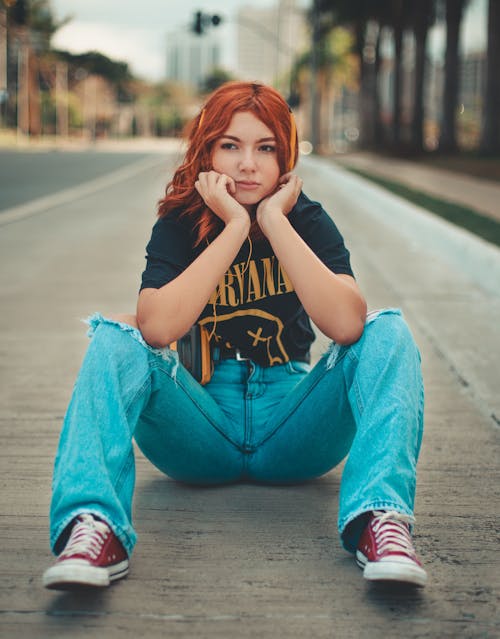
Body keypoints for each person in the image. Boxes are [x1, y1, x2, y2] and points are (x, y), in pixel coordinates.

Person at [43, 81, 427, 590]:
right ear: (207, 152)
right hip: (197, 431)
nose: (248, 164)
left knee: (388, 330)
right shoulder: (181, 223)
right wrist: (232, 230)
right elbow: (157, 328)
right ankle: (93, 528)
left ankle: (381, 521)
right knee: (116, 335)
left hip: (293, 429)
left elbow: (347, 325)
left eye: (265, 148)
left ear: (284, 158)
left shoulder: (305, 219)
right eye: (231, 146)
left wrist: (273, 220)